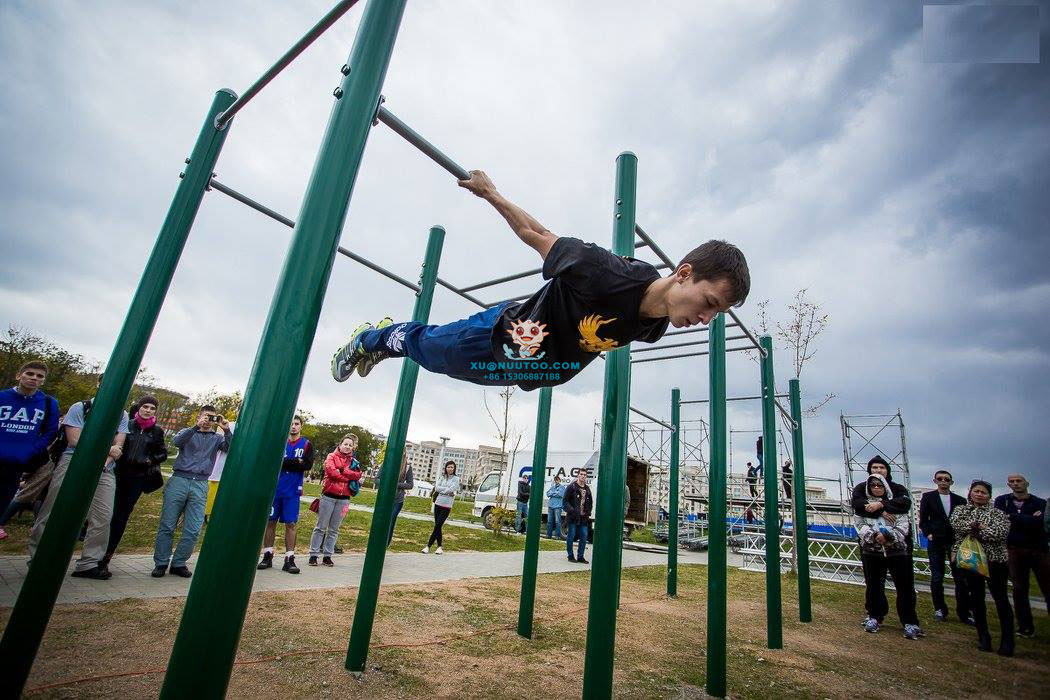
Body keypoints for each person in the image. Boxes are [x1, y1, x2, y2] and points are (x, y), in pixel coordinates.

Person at [330, 171, 750, 392]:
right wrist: (491, 194)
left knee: (438, 363)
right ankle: (373, 338)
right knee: (432, 349)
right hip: (504, 336)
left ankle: (389, 343)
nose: (707, 318)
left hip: (523, 368)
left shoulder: (653, 327)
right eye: (710, 302)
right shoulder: (605, 272)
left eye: (718, 312)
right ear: (684, 273)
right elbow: (538, 236)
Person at [28, 377, 129, 580]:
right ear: (99, 385)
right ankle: (38, 558)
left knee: (102, 516)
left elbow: (120, 442)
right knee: (53, 509)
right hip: (73, 463)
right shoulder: (81, 407)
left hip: (105, 468)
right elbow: (75, 440)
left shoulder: (121, 414)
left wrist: (113, 452)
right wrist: (108, 449)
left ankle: (89, 563)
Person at [152, 406, 230, 578]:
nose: (208, 421)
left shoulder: (217, 438)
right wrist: (196, 427)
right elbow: (177, 442)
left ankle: (179, 562)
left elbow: (230, 449)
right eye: (206, 417)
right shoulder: (187, 432)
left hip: (201, 483)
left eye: (212, 418)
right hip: (179, 479)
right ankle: (161, 562)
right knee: (168, 524)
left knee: (193, 528)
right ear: (199, 417)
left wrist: (226, 430)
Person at [102, 396, 168, 573]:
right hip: (117, 474)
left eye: (152, 408)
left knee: (121, 516)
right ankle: (94, 553)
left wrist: (149, 460)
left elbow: (163, 453)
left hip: (137, 478)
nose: (148, 410)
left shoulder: (157, 431)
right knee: (105, 513)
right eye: (145, 406)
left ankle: (106, 557)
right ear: (139, 408)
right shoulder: (127, 426)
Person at [855, 474, 923, 639]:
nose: (877, 488)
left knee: (904, 587)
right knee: (874, 586)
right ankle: (875, 617)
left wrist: (889, 536)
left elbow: (903, 525)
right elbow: (860, 524)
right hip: (872, 551)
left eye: (880, 486)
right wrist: (874, 535)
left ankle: (909, 621)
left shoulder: (897, 504)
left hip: (897, 552)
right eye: (873, 486)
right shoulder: (864, 506)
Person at [951, 479, 1014, 656]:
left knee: (1001, 599)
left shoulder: (997, 513)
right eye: (976, 491)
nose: (979, 494)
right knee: (976, 600)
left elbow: (1000, 533)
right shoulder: (961, 510)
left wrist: (973, 528)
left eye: (983, 492)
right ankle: (983, 638)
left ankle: (1007, 641)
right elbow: (956, 526)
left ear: (989, 495)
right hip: (970, 560)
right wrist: (980, 527)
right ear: (970, 492)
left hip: (995, 561)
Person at [0, 361, 60, 540]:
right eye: (30, 374)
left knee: (2, 503)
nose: (34, 378)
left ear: (43, 381)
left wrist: (31, 450)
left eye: (39, 376)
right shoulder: (3, 397)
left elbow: (50, 431)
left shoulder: (48, 403)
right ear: (19, 375)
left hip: (18, 462)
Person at [993, 473, 1049, 639]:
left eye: (1019, 481)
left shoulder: (1040, 502)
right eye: (1012, 482)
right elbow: (1001, 521)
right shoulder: (1002, 501)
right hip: (1014, 550)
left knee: (1047, 587)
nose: (1016, 484)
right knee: (1019, 589)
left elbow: (1042, 524)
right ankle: (1025, 626)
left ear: (1027, 483)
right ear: (1008, 484)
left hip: (1039, 550)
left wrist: (1014, 517)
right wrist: (1030, 519)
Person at [257, 416, 314, 574]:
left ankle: (289, 559)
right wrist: (296, 461)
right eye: (291, 424)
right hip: (275, 489)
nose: (293, 427)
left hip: (293, 490)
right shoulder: (278, 442)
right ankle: (267, 554)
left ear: (301, 426)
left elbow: (307, 464)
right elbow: (272, 461)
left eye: (296, 424)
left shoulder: (306, 444)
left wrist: (287, 461)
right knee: (270, 522)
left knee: (291, 524)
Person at [917, 469, 971, 623]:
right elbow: (923, 518)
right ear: (935, 481)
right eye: (940, 479)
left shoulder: (960, 500)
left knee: (960, 578)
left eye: (946, 479)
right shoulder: (928, 497)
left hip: (955, 541)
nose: (943, 481)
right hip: (936, 541)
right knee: (937, 577)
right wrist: (928, 534)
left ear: (951, 482)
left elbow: (964, 520)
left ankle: (964, 612)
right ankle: (940, 608)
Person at [308, 434, 361, 566]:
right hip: (329, 496)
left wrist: (343, 471)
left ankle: (327, 555)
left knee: (334, 529)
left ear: (353, 447)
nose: (347, 446)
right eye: (345, 444)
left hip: (344, 499)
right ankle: (313, 554)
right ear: (340, 444)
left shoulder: (354, 461)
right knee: (320, 527)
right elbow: (332, 473)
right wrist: (348, 476)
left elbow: (358, 475)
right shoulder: (331, 456)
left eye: (350, 445)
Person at [423, 460, 459, 554]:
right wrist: (446, 490)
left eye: (452, 467)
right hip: (438, 503)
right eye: (448, 467)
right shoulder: (442, 477)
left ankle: (428, 546)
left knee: (438, 525)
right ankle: (439, 547)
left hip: (447, 505)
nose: (450, 468)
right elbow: (437, 487)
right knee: (437, 526)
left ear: (454, 468)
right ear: (445, 468)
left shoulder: (456, 479)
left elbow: (452, 489)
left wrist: (445, 490)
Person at [205, 419, 236, 522]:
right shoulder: (229, 425)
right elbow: (220, 444)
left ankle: (213, 514)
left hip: (231, 469)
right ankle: (205, 514)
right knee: (210, 494)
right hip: (218, 468)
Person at [563, 469, 593, 564]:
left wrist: (588, 512)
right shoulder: (571, 487)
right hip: (573, 517)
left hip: (583, 518)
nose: (583, 476)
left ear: (586, 477)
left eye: (585, 475)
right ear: (578, 476)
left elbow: (590, 502)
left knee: (584, 537)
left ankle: (580, 557)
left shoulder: (587, 489)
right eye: (581, 474)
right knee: (571, 536)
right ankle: (570, 556)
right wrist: (572, 510)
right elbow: (565, 501)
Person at [388, 452, 413, 546]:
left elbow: (410, 485)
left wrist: (395, 484)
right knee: (381, 520)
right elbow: (377, 479)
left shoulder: (407, 467)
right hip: (385, 498)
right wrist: (386, 482)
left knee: (391, 521)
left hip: (397, 500)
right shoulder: (387, 463)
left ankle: (386, 544)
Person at [546, 474, 565, 539]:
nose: (556, 481)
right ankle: (548, 535)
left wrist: (552, 493)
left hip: (558, 507)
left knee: (557, 522)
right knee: (549, 522)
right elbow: (547, 493)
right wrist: (554, 493)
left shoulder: (562, 487)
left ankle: (557, 536)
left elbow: (560, 494)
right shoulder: (552, 487)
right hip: (550, 506)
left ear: (560, 480)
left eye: (557, 480)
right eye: (555, 480)